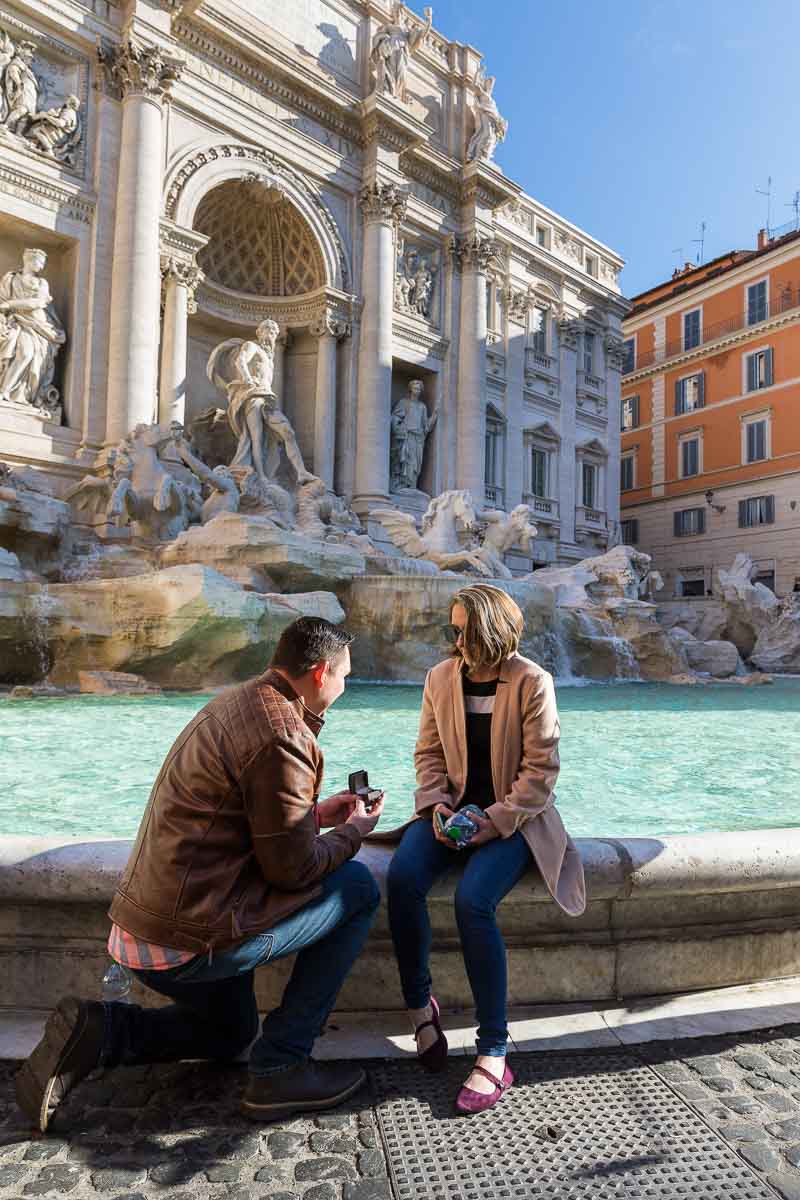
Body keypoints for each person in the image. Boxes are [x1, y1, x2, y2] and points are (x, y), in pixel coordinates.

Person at [16, 617, 384, 1133]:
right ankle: (282, 1066)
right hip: (190, 939)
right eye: (345, 675)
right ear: (321, 672)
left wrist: (317, 816)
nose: (346, 686)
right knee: (360, 889)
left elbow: (238, 820)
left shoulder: (238, 700)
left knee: (230, 1032)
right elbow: (294, 871)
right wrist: (356, 833)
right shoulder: (283, 734)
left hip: (141, 926)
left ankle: (101, 1032)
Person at [386, 583, 585, 1114]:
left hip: (516, 822)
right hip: (450, 815)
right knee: (402, 880)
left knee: (472, 902)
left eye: (462, 631)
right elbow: (427, 754)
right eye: (451, 630)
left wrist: (493, 821)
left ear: (489, 632)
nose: (453, 640)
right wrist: (437, 807)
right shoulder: (439, 678)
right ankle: (419, 1007)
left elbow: (540, 775)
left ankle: (494, 1050)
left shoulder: (531, 682)